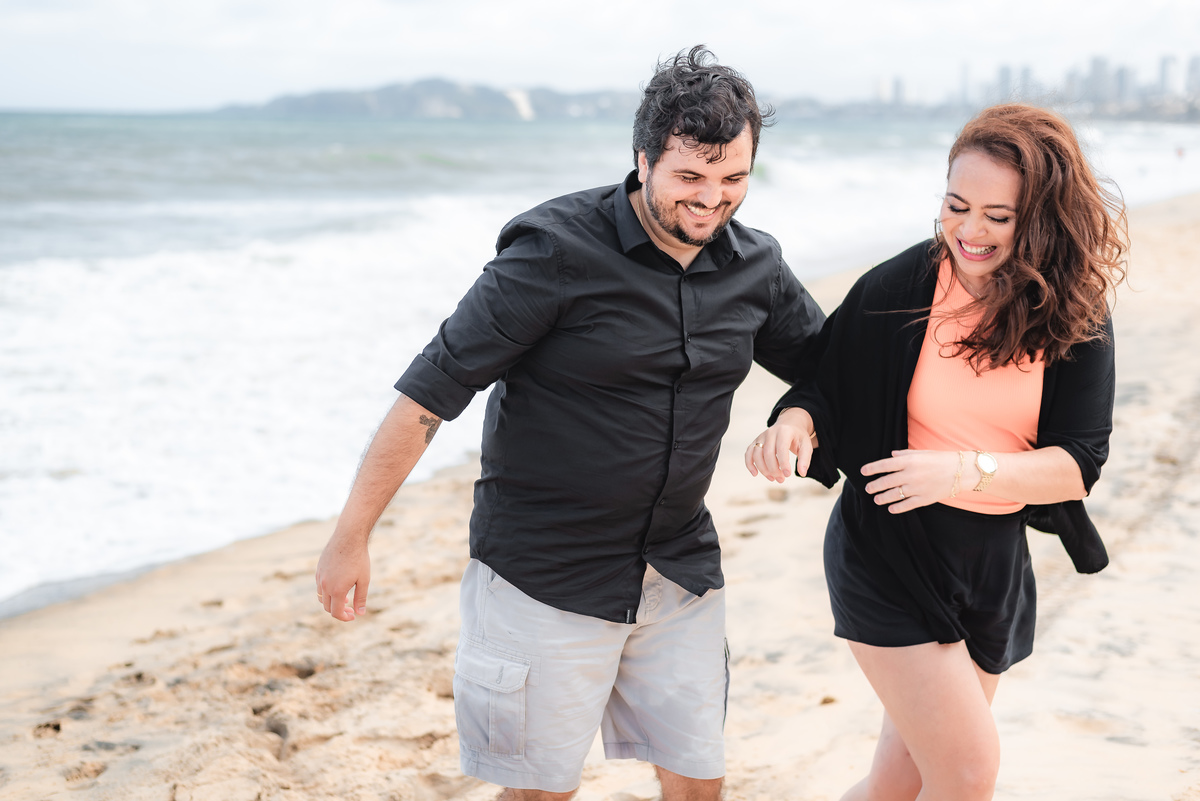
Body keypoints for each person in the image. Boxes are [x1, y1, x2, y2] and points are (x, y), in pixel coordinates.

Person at [315, 45, 826, 801]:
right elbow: (431, 392)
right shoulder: (554, 252)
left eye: (733, 180)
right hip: (541, 577)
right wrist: (351, 533)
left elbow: (832, 365)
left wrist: (799, 413)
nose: (711, 200)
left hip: (677, 570)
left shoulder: (755, 265)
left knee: (699, 779)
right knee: (539, 792)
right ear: (643, 157)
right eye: (689, 176)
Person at [745, 103, 1128, 801]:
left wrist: (959, 468)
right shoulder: (902, 285)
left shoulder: (1075, 313)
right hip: (884, 551)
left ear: (1039, 219)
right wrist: (794, 424)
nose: (969, 230)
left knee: (898, 782)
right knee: (967, 772)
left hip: (990, 566)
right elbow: (827, 384)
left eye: (997, 215)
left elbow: (1077, 463)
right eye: (956, 206)